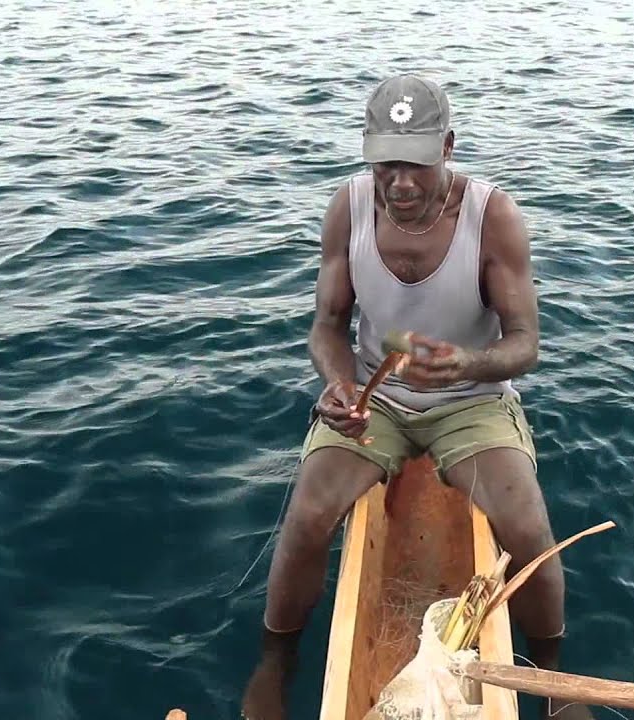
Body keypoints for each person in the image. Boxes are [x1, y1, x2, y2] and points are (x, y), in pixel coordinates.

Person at [242, 73, 592, 720]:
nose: (400, 182)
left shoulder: (494, 217)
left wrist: (468, 365)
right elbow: (326, 326)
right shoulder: (347, 207)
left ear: (449, 148)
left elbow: (525, 345)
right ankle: (275, 661)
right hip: (377, 397)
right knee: (309, 513)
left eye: (417, 164)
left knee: (526, 526)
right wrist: (340, 385)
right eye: (386, 163)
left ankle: (552, 679)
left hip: (473, 399)